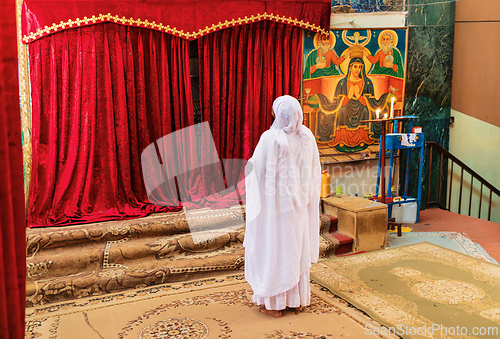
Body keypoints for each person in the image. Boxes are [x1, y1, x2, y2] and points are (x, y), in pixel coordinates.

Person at [243, 95, 321, 317]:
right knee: (295, 250)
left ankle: (275, 306)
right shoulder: (308, 137)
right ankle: (296, 301)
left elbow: (254, 169)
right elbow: (314, 174)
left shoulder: (270, 138)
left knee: (277, 251)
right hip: (299, 209)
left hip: (276, 210)